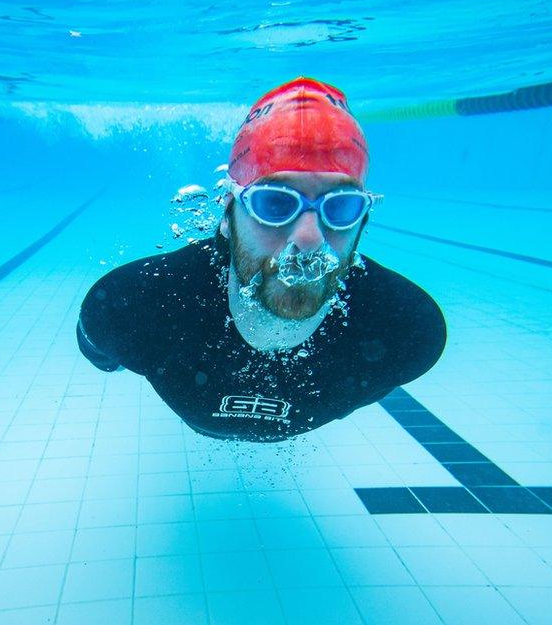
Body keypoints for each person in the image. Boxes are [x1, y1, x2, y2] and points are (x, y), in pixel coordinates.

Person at [78, 76, 446, 442]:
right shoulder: (133, 307)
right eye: (275, 203)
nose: (309, 238)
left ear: (362, 219)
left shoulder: (406, 332)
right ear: (228, 213)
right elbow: (101, 353)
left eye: (340, 207)